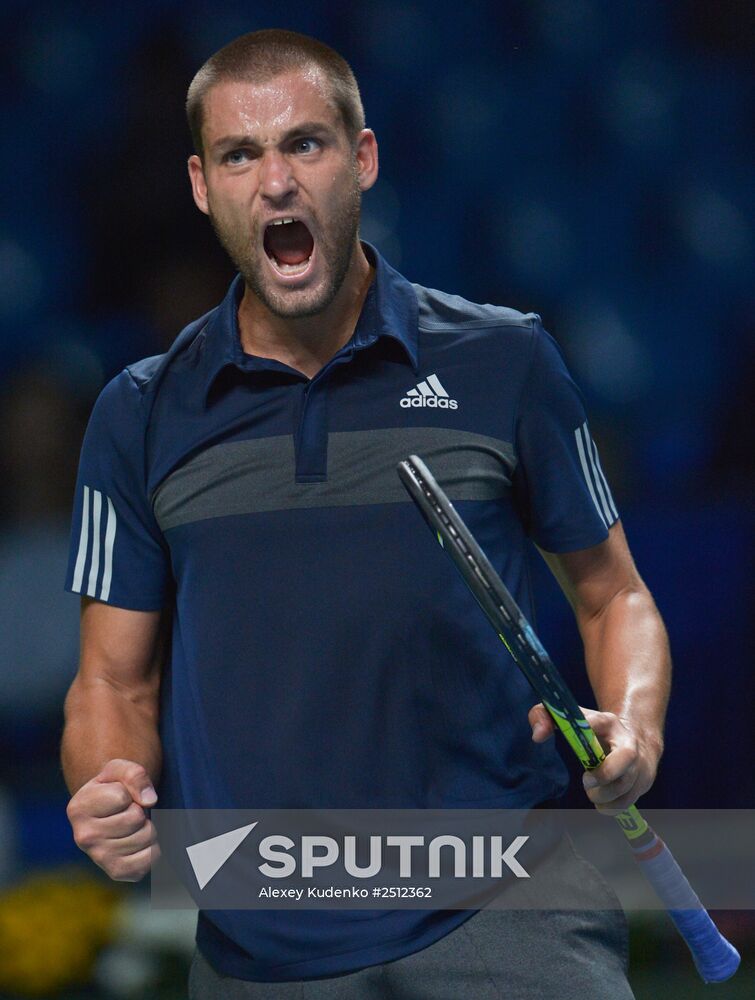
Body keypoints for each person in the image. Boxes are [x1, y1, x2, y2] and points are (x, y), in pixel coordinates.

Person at [61, 29, 670, 999]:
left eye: (304, 143)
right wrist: (107, 782)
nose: (273, 182)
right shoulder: (137, 412)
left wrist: (633, 727)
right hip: (259, 954)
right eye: (238, 154)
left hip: (506, 916)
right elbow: (111, 682)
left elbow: (612, 598)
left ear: (363, 159)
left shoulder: (502, 359)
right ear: (199, 184)